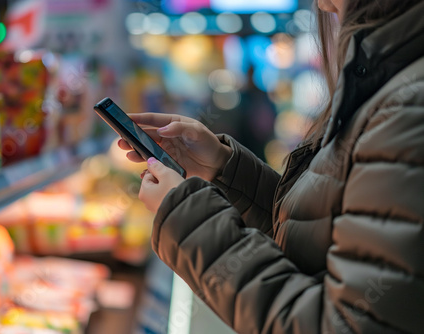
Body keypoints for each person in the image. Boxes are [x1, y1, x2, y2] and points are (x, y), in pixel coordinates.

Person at [119, 0, 424, 333]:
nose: (320, 3)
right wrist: (225, 170)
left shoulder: (407, 106)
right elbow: (320, 242)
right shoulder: (388, 81)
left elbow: (347, 325)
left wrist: (187, 218)